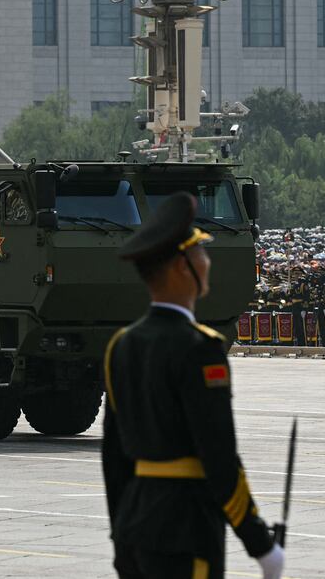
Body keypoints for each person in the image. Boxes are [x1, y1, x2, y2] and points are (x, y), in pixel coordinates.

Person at [103, 192, 284, 579]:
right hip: (184, 529)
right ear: (180, 268)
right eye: (199, 252)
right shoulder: (200, 348)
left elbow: (114, 460)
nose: (207, 261)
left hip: (136, 529)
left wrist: (121, 535)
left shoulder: (121, 346)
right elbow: (219, 459)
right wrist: (260, 545)